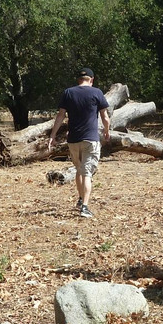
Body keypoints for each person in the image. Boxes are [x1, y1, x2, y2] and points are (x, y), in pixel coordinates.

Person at [47, 67, 111, 218]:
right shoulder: (97, 93)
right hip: (90, 139)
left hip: (73, 140)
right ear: (92, 79)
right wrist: (107, 130)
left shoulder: (68, 92)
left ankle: (81, 198)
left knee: (79, 169)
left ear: (78, 80)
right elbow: (105, 117)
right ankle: (85, 207)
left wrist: (53, 135)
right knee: (87, 172)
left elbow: (60, 116)